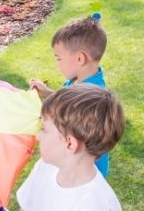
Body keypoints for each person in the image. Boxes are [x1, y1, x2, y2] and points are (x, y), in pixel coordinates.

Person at [28, 16, 111, 177]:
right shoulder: (76, 81)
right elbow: (66, 101)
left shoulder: (92, 98)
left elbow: (76, 132)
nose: (57, 64)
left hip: (84, 171)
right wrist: (47, 92)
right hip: (72, 163)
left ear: (80, 58)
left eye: (59, 58)